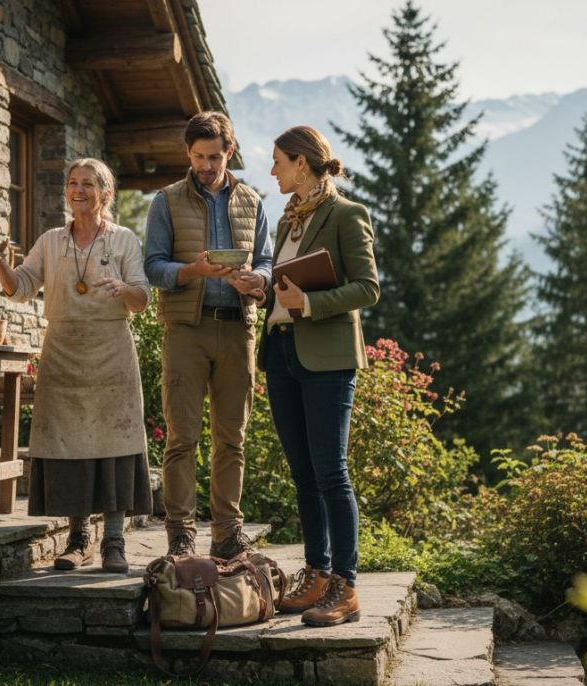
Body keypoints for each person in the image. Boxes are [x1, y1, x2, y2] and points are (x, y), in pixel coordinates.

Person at [0, 158, 152, 574]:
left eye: (88, 184)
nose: (78, 190)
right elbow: (21, 288)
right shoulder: (50, 241)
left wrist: (124, 288)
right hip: (62, 352)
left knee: (114, 444)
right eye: (73, 183)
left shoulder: (124, 240)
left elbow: (143, 299)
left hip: (111, 353)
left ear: (105, 194)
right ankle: (78, 541)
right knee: (70, 444)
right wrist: (2, 266)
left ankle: (114, 541)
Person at [258, 126, 379, 627]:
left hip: (328, 358)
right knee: (304, 475)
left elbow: (367, 288)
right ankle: (317, 574)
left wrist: (308, 303)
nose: (272, 171)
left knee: (331, 473)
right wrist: (260, 289)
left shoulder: (347, 214)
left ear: (301, 164)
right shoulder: (287, 220)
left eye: (278, 162)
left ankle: (345, 588)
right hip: (281, 353)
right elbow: (283, 286)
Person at [143, 111, 273, 559]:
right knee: (182, 438)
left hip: (238, 328)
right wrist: (194, 271)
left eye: (214, 157)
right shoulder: (166, 201)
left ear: (229, 152)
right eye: (198, 156)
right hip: (187, 329)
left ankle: (227, 533)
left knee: (232, 438)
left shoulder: (252, 201)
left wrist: (258, 280)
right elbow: (153, 267)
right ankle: (180, 534)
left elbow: (267, 262)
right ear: (188, 153)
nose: (205, 165)